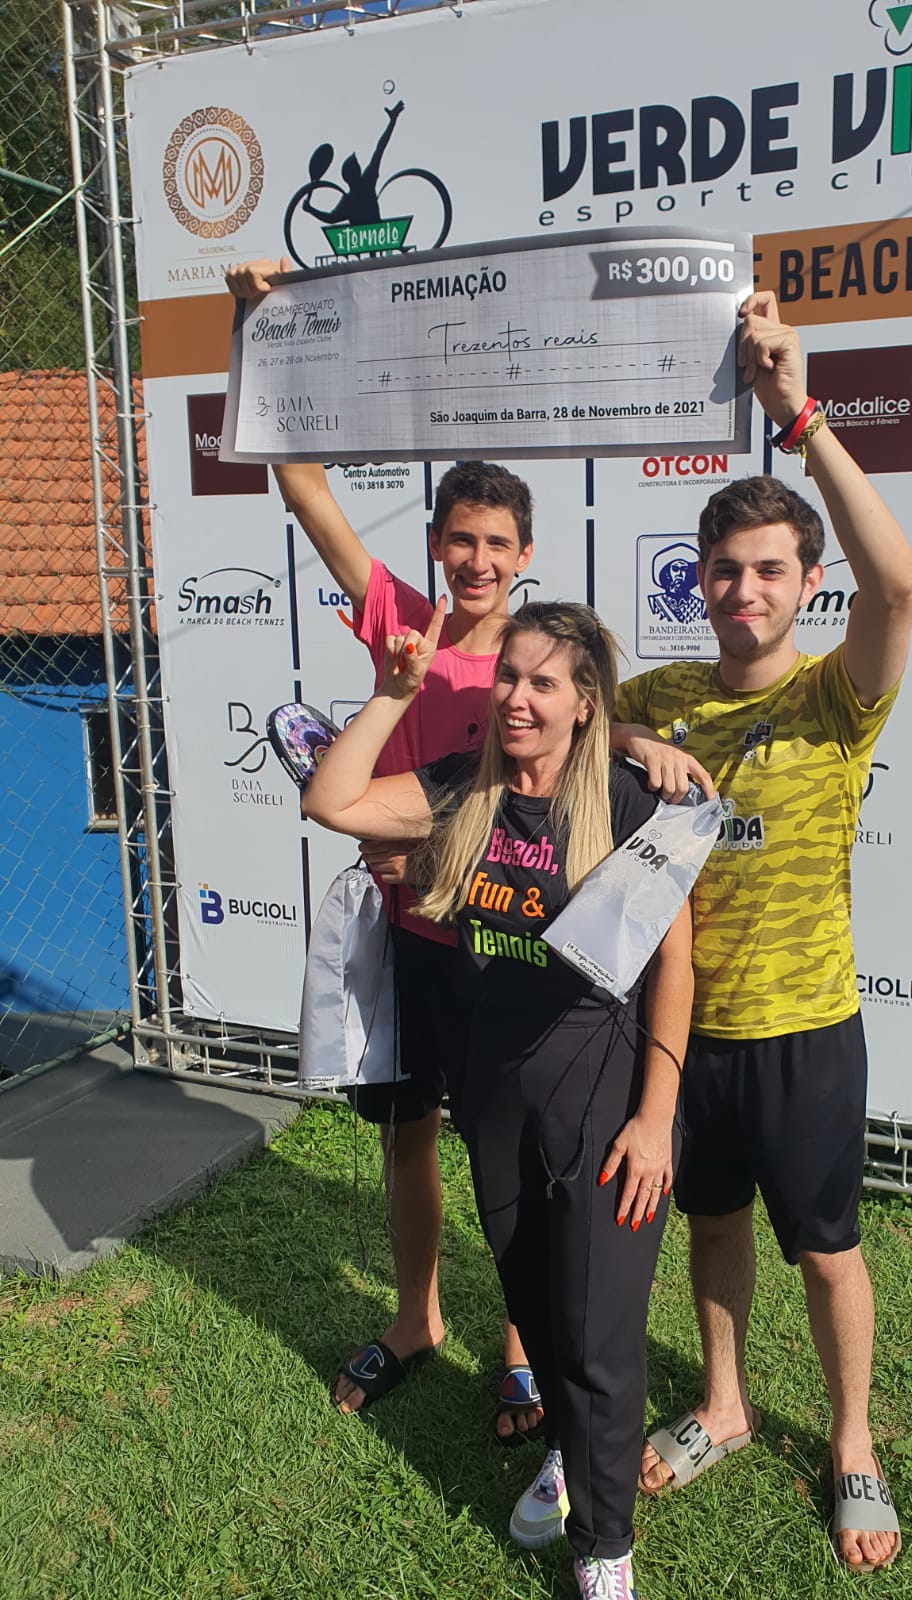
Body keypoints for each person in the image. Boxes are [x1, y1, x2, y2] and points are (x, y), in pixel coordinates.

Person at [302, 597, 693, 1600]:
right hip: (498, 1096)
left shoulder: (628, 804)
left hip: (606, 1095)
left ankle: (604, 1548)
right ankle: (570, 1447)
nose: (517, 697)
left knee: (599, 1330)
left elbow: (675, 967)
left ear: (584, 701)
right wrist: (394, 692)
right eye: (508, 676)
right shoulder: (461, 789)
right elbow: (332, 801)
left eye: (543, 682)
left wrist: (656, 1118)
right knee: (533, 1300)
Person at [615, 291, 912, 1572]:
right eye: (724, 569)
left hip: (807, 1029)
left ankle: (851, 1441)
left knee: (829, 1250)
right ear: (698, 580)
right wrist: (631, 736)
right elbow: (571, 720)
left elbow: (898, 581)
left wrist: (802, 418)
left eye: (770, 570)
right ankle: (727, 1404)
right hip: (689, 1033)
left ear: (806, 583)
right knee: (714, 1226)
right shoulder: (663, 689)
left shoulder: (836, 696)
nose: (743, 588)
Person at [228, 248, 547, 1440]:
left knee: (508, 1156)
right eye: (460, 539)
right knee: (409, 1138)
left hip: (504, 944)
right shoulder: (399, 624)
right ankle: (418, 1320)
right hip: (410, 938)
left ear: (525, 554)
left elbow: (574, 785)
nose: (477, 560)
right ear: (436, 544)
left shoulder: (548, 658)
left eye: (497, 543)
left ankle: (522, 1347)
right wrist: (259, 330)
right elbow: (303, 485)